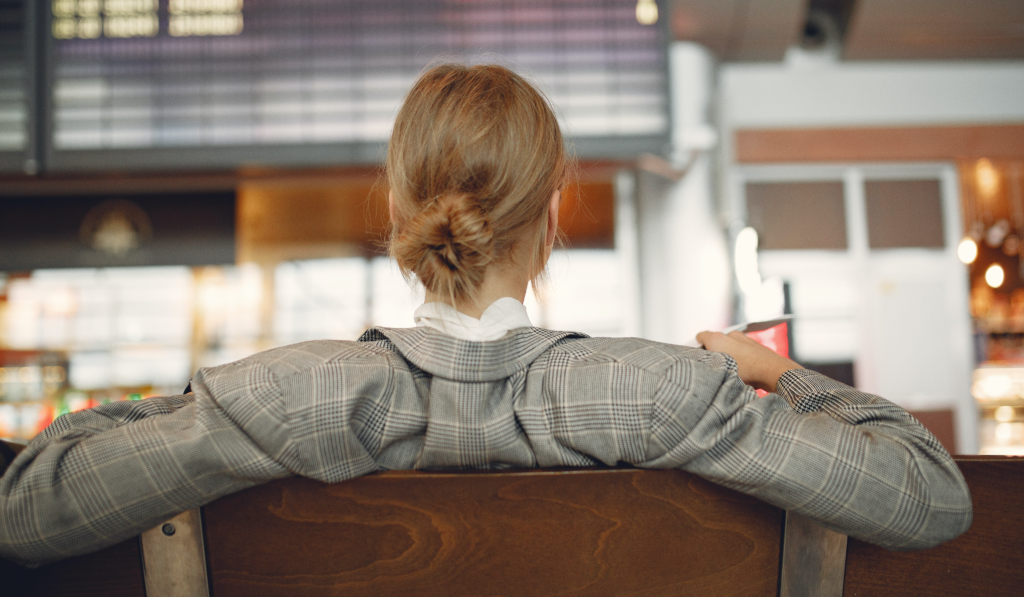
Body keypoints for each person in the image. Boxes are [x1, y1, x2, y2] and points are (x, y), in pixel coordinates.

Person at [0, 64, 972, 568]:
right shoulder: (669, 395)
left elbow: (29, 506)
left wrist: (191, 403)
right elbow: (929, 497)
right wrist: (773, 374)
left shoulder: (282, 397)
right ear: (555, 209)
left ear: (397, 209)